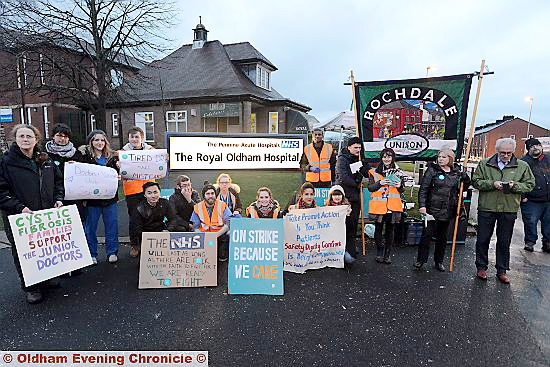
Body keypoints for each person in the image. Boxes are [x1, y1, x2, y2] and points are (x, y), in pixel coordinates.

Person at [0, 124, 64, 304]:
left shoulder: (46, 160)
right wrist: (19, 207)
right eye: (21, 136)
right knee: (23, 252)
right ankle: (31, 287)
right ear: (15, 139)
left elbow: (58, 182)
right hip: (20, 216)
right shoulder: (6, 162)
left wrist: (58, 198)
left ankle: (49, 276)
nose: (25, 139)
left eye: (29, 136)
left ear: (36, 139)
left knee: (46, 247)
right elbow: (1, 191)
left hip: (44, 214)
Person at [472, 138, 535, 284]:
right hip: (487, 207)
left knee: (504, 241)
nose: (506, 156)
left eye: (509, 153)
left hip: (508, 208)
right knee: (482, 239)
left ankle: (502, 270)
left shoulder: (522, 166)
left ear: (513, 151)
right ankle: (481, 267)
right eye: (502, 153)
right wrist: (492, 183)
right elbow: (476, 181)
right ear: (497, 151)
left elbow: (530, 185)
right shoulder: (484, 164)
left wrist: (515, 186)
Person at [414, 148, 471, 271]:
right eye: (439, 157)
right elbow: (423, 189)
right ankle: (421, 260)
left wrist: (466, 179)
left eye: (444, 157)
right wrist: (422, 205)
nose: (440, 159)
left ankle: (439, 261)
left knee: (442, 237)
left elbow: (462, 189)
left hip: (448, 209)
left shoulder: (456, 172)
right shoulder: (432, 170)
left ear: (450, 158)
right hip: (431, 209)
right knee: (427, 235)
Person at [45, 123, 86, 277]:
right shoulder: (45, 154)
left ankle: (76, 264)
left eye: (65, 136)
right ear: (53, 136)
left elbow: (86, 173)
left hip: (74, 197)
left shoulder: (76, 154)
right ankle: (61, 266)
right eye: (59, 136)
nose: (62, 139)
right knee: (58, 232)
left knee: (75, 230)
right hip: (55, 198)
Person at [79, 130, 120, 265]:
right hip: (92, 200)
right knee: (90, 228)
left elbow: (118, 174)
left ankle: (112, 252)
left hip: (110, 199)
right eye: (96, 140)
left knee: (112, 225)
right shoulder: (84, 157)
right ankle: (92, 253)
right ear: (91, 142)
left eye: (102, 140)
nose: (99, 143)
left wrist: (119, 172)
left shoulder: (111, 158)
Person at [121, 127, 154, 258]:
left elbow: (159, 164)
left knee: (149, 217)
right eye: (132, 137)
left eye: (137, 137)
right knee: (134, 218)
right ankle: (135, 245)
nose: (134, 139)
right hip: (132, 190)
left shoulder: (151, 151)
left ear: (142, 138)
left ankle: (147, 244)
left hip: (148, 189)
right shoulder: (123, 153)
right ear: (128, 138)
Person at [367, 148, 404, 264]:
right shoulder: (374, 172)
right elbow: (370, 188)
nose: (386, 159)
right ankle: (379, 251)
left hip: (392, 207)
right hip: (379, 206)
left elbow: (402, 190)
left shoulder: (398, 172)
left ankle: (387, 254)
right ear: (381, 158)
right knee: (378, 229)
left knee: (390, 230)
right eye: (384, 157)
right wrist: (379, 183)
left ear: (393, 158)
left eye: (388, 156)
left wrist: (399, 185)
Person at [335, 136, 369, 262]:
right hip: (345, 197)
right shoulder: (342, 159)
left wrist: (365, 169)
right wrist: (356, 183)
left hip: (356, 197)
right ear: (349, 147)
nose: (358, 150)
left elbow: (365, 172)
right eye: (355, 147)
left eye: (359, 147)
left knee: (354, 223)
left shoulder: (359, 158)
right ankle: (343, 248)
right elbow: (343, 177)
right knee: (346, 224)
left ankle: (351, 246)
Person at [132, 182, 184, 251]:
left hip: (161, 230)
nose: (153, 196)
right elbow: (137, 228)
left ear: (160, 192)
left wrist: (168, 229)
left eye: (155, 192)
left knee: (180, 228)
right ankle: (136, 248)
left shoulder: (165, 203)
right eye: (149, 193)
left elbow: (173, 219)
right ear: (145, 195)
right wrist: (148, 237)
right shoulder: (139, 207)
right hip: (146, 233)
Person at [520, 138, 550, 253]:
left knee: (548, 223)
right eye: (532, 146)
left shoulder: (548, 159)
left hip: (548, 199)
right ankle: (530, 242)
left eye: (538, 145)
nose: (536, 148)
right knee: (530, 222)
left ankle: (547, 243)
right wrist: (523, 197)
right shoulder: (524, 162)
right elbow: (520, 179)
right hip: (531, 200)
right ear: (528, 149)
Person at [190, 184, 232, 261]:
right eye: (208, 194)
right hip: (203, 236)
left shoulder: (222, 205)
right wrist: (204, 237)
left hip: (219, 234)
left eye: (212, 193)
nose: (210, 196)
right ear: (204, 196)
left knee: (228, 235)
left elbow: (228, 223)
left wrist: (216, 235)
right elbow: (195, 227)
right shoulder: (197, 207)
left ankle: (223, 259)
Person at [324, 184, 354, 264]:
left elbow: (351, 230)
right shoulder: (326, 208)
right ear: (331, 196)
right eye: (334, 194)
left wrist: (348, 216)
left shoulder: (347, 208)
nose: (337, 197)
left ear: (342, 196)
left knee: (349, 259)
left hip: (344, 241)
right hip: (330, 242)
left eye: (339, 194)